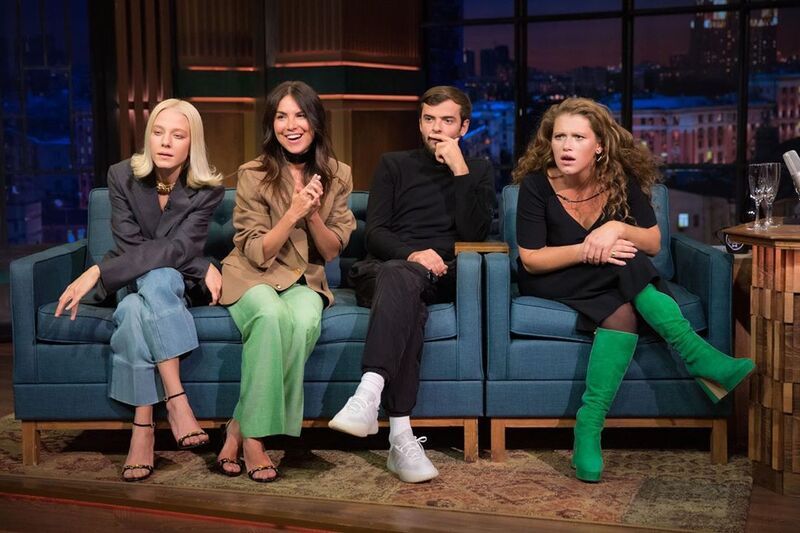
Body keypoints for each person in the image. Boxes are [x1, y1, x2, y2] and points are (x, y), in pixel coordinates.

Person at [512, 97, 755, 482]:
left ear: (599, 146)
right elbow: (531, 259)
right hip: (553, 275)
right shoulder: (536, 185)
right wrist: (587, 249)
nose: (566, 146)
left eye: (578, 137)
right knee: (626, 260)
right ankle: (698, 357)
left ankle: (588, 427)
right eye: (559, 137)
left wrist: (616, 229)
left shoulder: (619, 180)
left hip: (605, 278)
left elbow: (654, 242)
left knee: (623, 302)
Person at [328, 86, 494, 483]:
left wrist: (460, 171)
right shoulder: (394, 164)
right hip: (385, 269)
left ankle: (370, 397)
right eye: (429, 119)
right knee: (402, 283)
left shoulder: (478, 171)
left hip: (443, 275)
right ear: (420, 123)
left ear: (463, 127)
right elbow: (375, 233)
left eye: (447, 121)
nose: (436, 128)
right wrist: (413, 254)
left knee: (407, 288)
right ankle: (399, 434)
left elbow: (475, 234)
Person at [55, 99, 225, 481]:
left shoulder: (207, 189)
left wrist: (99, 269)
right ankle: (177, 399)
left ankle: (142, 428)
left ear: (192, 143)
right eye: (158, 132)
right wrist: (201, 264)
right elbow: (133, 246)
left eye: (177, 135)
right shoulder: (122, 175)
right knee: (144, 290)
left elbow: (180, 249)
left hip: (173, 284)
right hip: (130, 276)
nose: (165, 142)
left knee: (146, 295)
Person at [216, 81, 356, 482]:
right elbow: (256, 251)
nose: (291, 125)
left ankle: (238, 424)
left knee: (306, 320)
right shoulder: (253, 174)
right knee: (270, 315)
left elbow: (331, 251)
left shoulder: (338, 175)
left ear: (316, 122)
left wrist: (312, 215)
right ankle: (255, 440)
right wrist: (292, 213)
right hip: (252, 275)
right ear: (271, 124)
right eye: (281, 116)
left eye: (300, 115)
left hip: (305, 279)